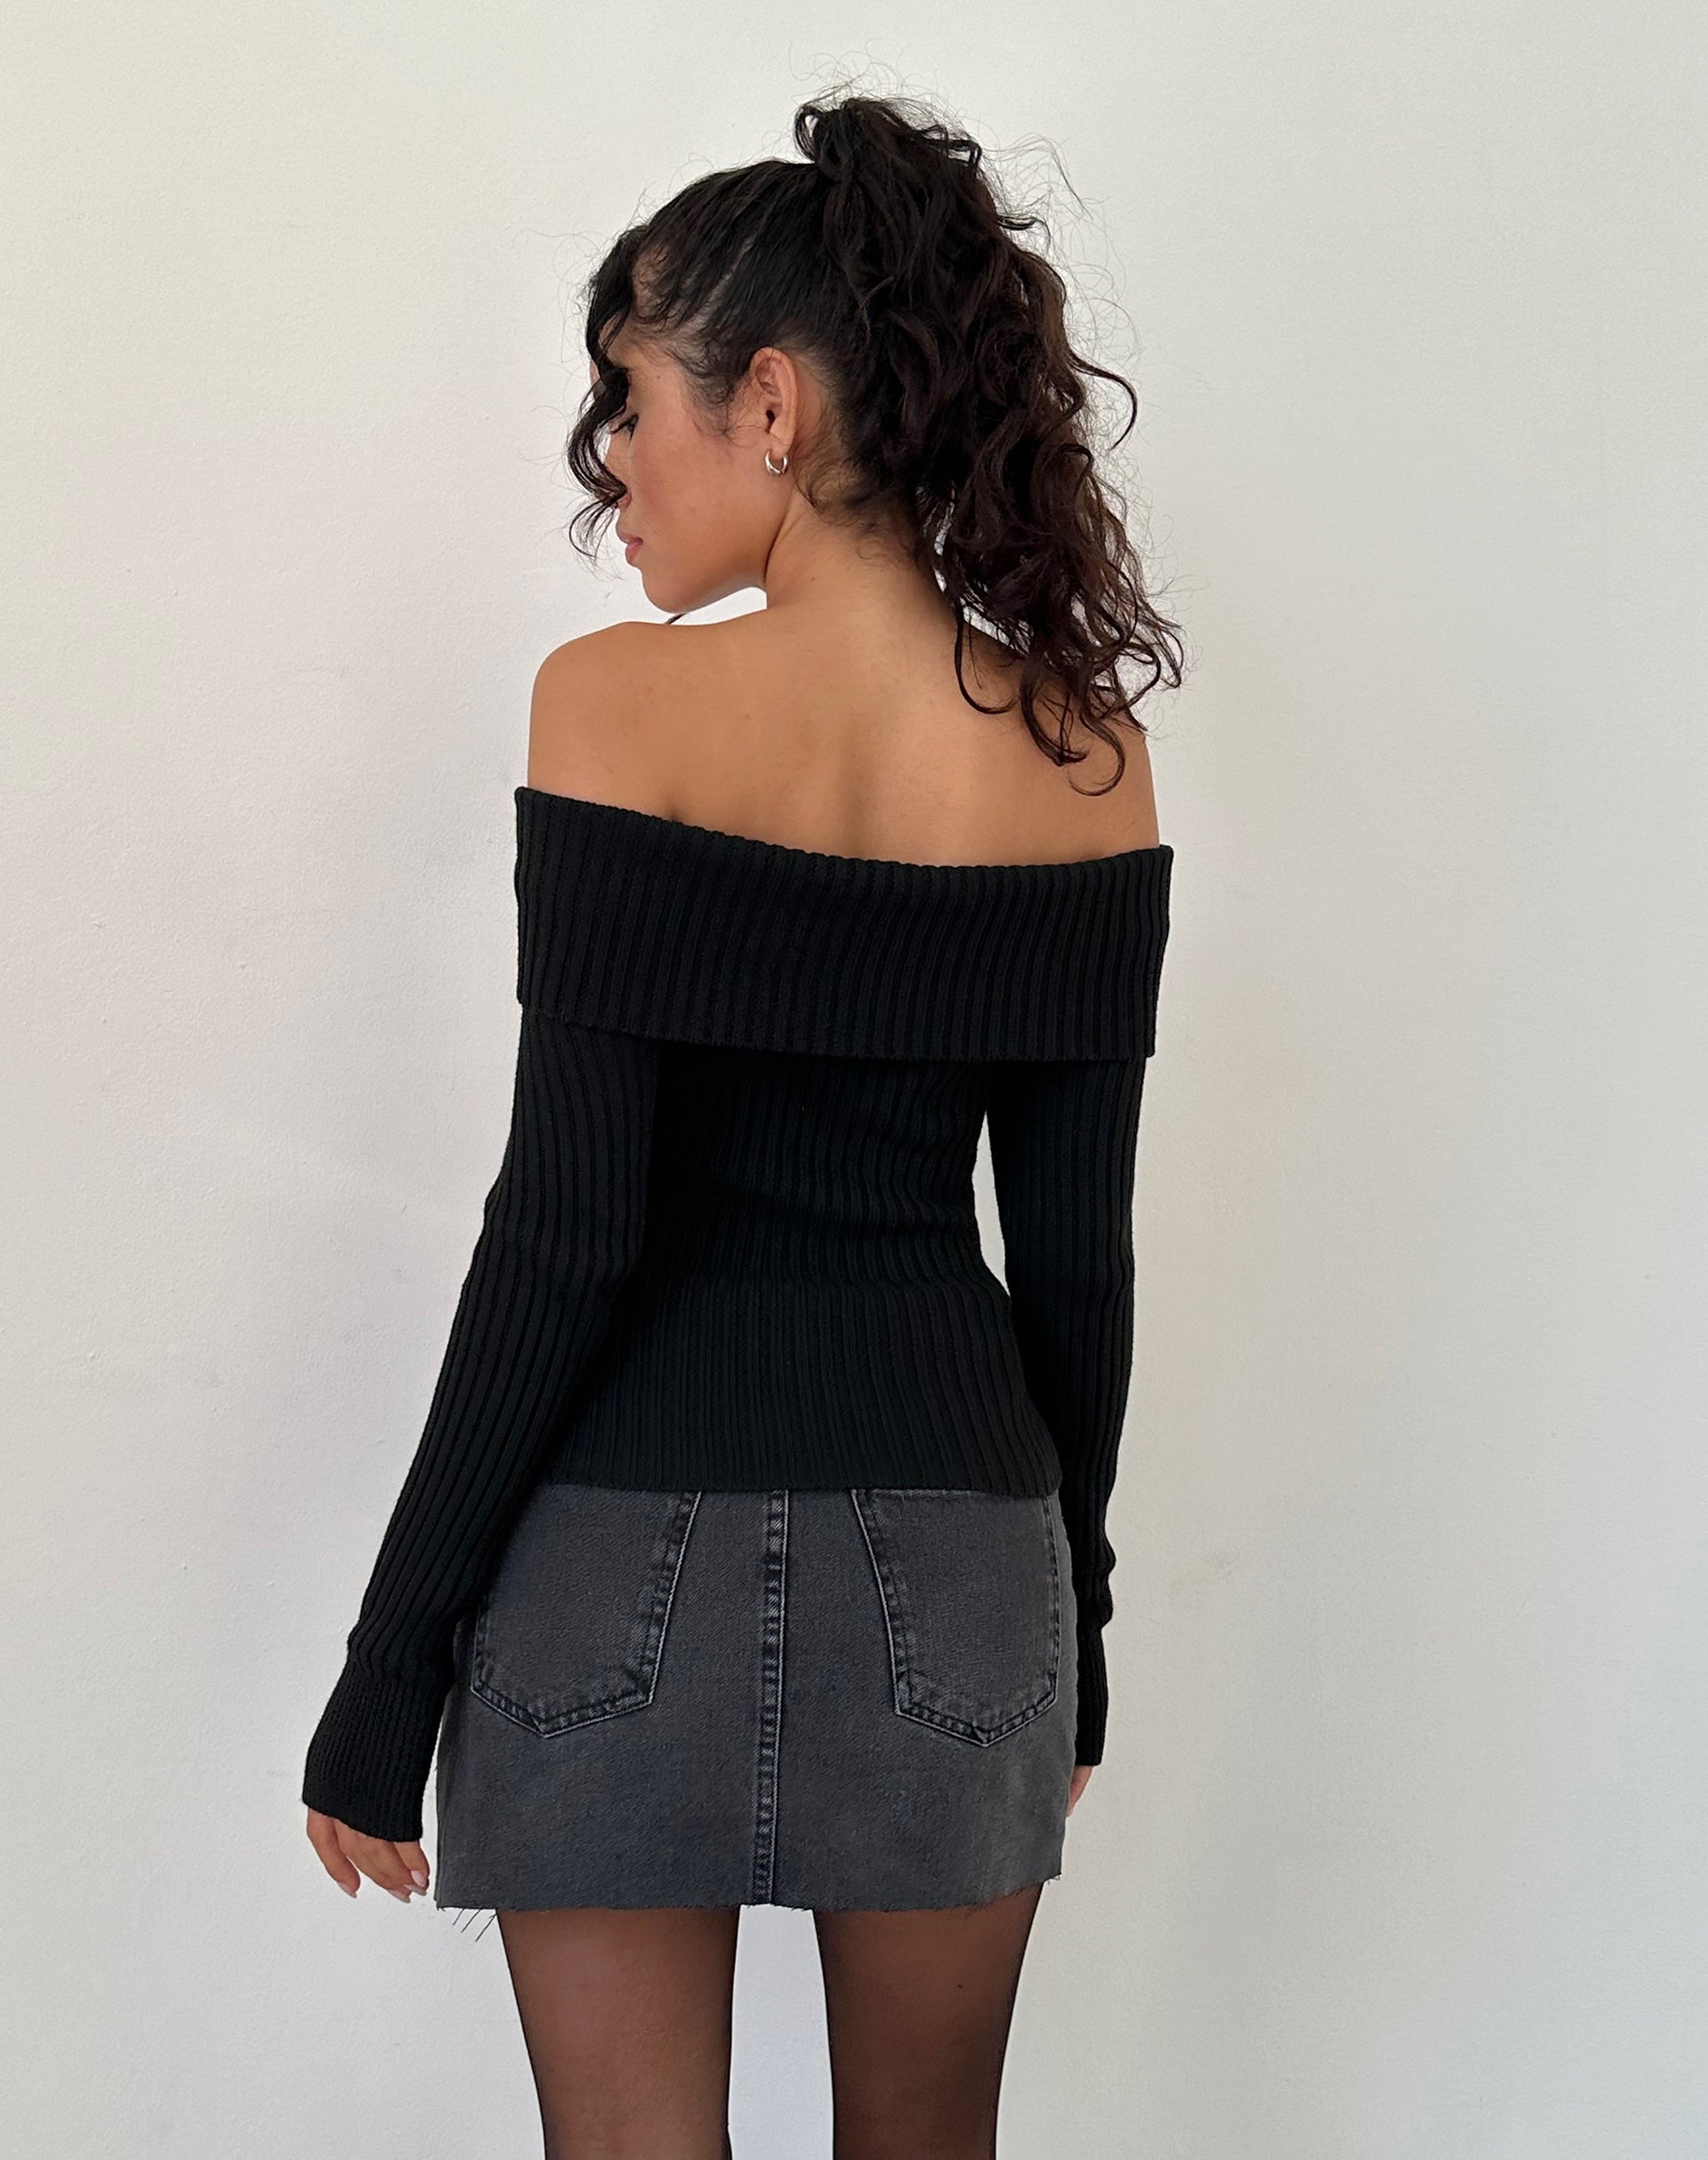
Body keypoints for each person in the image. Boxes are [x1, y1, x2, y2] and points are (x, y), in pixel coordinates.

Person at [302, 87, 1182, 2160]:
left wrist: (391, 1662)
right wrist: (1075, 1634)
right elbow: (1074, 1268)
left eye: (631, 399)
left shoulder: (615, 706)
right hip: (965, 1562)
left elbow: (566, 1235)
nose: (610, 459)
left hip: (620, 1552)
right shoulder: (1083, 755)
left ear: (769, 403)